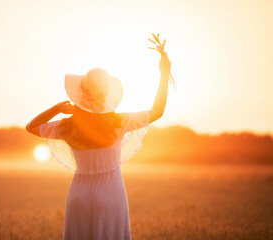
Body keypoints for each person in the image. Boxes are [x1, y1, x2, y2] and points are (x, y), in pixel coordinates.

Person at [26, 40, 171, 240]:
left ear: (81, 94)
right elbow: (157, 112)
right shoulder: (120, 122)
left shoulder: (67, 126)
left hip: (79, 195)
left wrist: (57, 109)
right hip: (111, 194)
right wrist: (164, 75)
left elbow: (31, 127)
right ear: (107, 95)